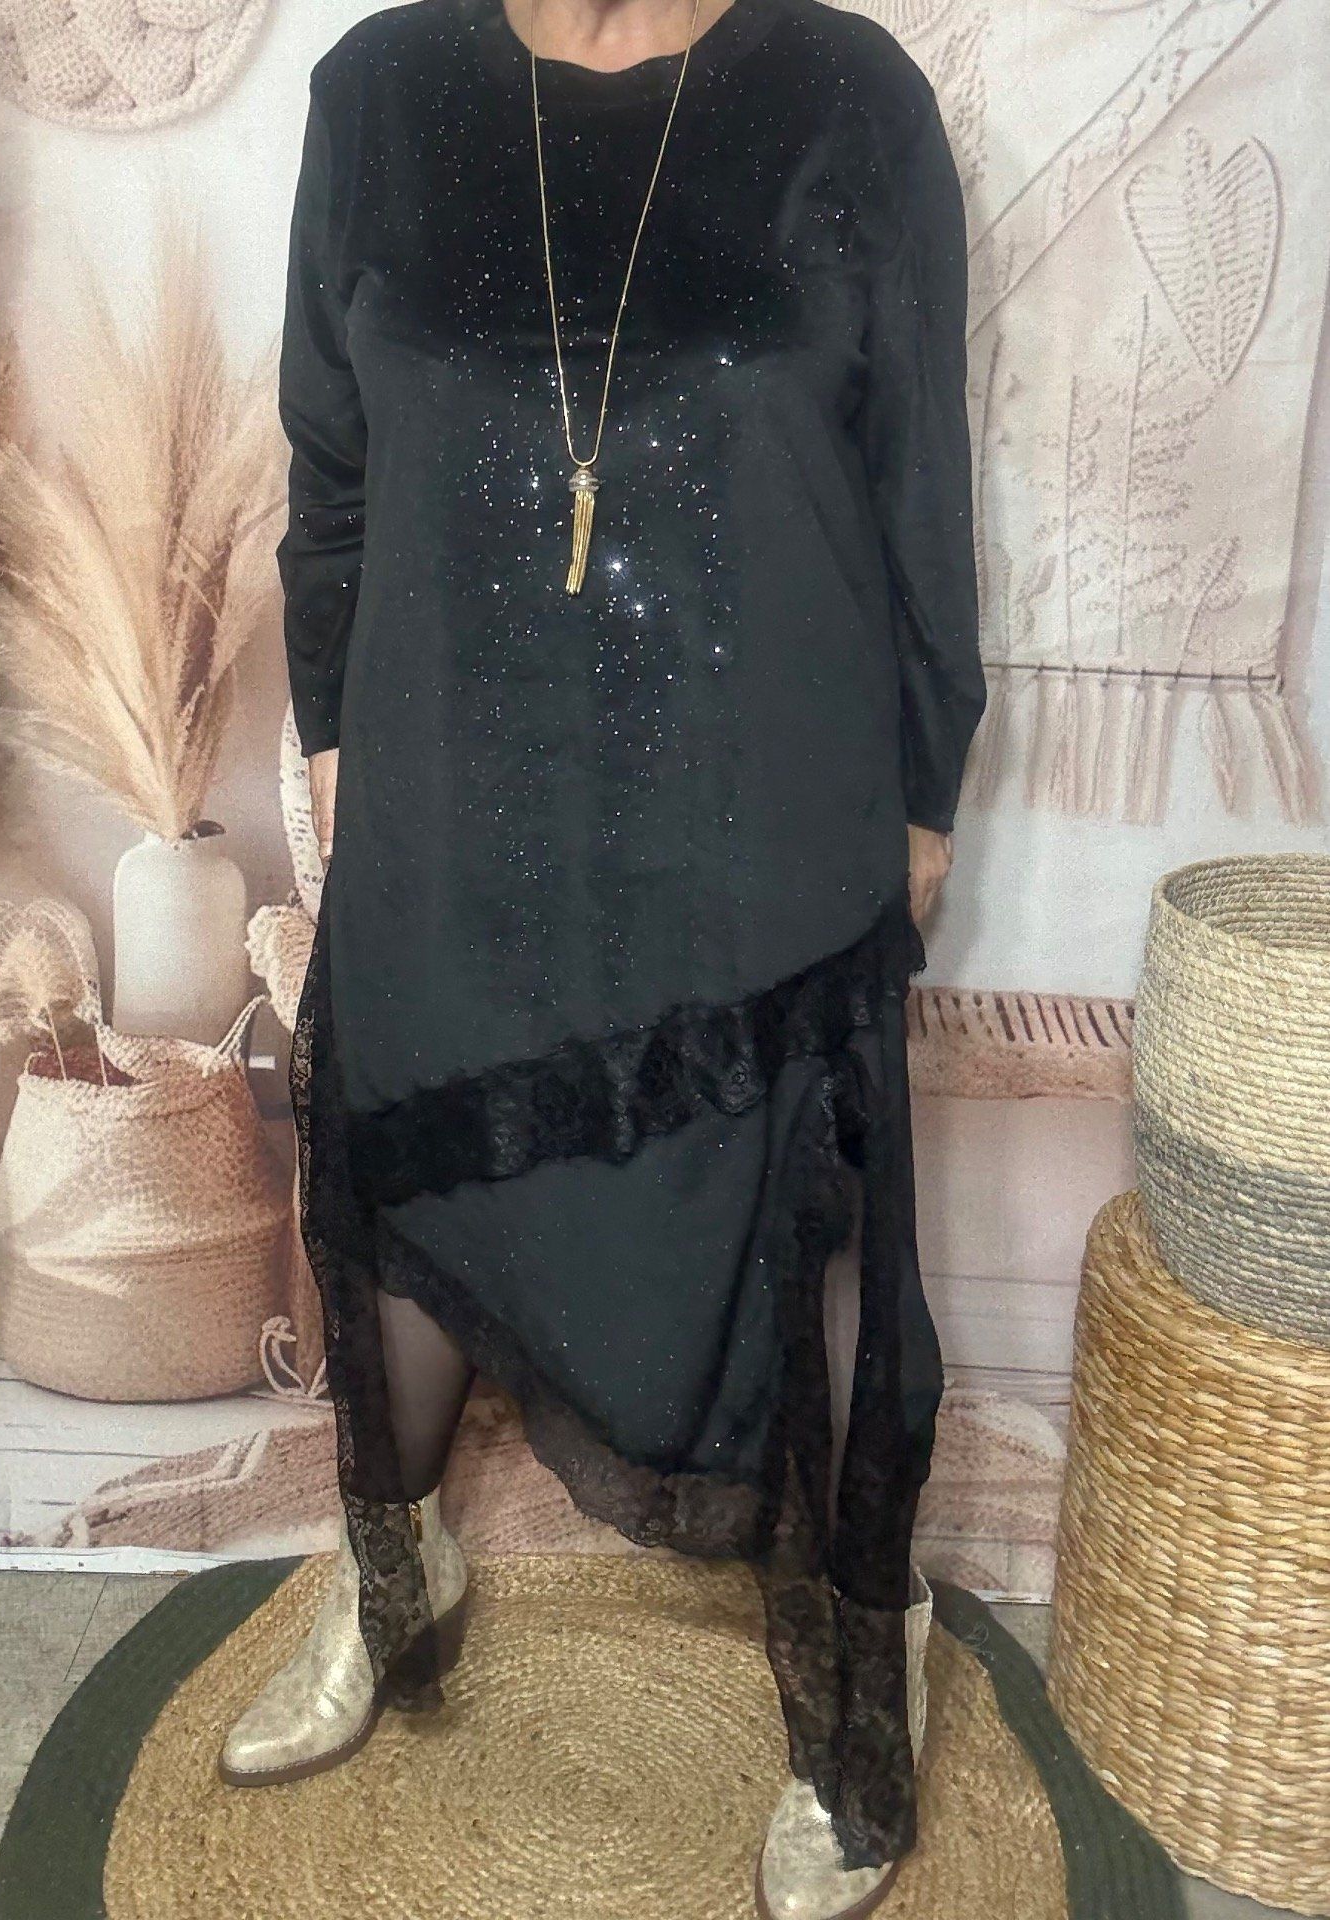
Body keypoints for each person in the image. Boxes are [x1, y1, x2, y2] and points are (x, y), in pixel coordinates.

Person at [221, 0, 985, 1912]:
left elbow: (920, 476)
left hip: (764, 792)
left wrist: (924, 784)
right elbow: (331, 464)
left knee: (792, 1213)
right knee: (409, 1161)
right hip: (457, 782)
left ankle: (857, 1652)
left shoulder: (843, 95)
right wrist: (338, 742)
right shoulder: (379, 95)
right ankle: (392, 1572)